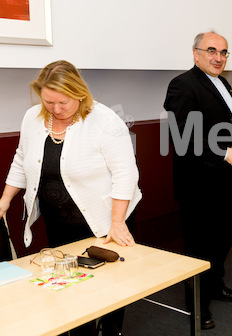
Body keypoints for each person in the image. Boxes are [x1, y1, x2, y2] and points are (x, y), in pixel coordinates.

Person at [0, 60, 142, 336]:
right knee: (71, 288)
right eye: (48, 101)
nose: (55, 109)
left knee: (108, 291)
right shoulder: (33, 117)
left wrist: (116, 221)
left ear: (79, 93)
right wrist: (5, 199)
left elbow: (126, 173)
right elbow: (21, 158)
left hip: (104, 220)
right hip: (59, 220)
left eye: (62, 102)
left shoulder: (104, 121)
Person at [163, 31, 232, 330]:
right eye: (211, 50)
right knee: (200, 244)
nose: (218, 57)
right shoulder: (182, 85)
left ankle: (214, 285)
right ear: (195, 53)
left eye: (224, 52)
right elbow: (184, 134)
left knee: (224, 235)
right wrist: (225, 152)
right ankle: (197, 305)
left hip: (226, 179)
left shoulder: (222, 83)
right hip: (200, 181)